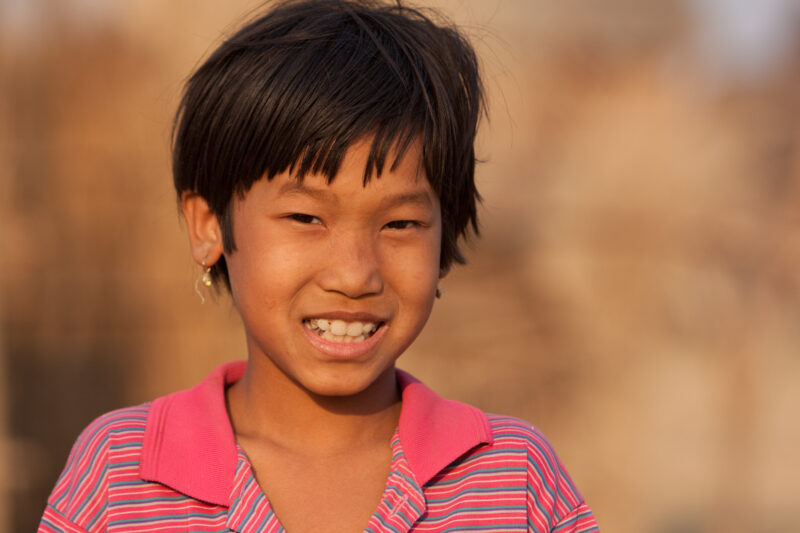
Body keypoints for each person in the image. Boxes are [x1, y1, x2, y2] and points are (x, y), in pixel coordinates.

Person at [38, 1, 598, 531]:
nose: (355, 275)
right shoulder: (124, 476)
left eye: (400, 224)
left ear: (445, 235)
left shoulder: (512, 480)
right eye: (306, 217)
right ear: (208, 226)